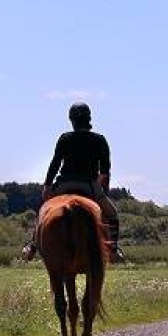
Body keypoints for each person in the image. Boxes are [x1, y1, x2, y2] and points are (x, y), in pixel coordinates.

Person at [21, 102, 125, 263]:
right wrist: (103, 191)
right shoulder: (99, 140)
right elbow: (104, 172)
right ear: (89, 118)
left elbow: (55, 164)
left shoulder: (65, 138)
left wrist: (47, 186)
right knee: (112, 215)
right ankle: (113, 250)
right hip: (88, 184)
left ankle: (33, 245)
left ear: (71, 120)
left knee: (43, 211)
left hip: (64, 184)